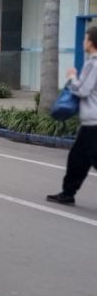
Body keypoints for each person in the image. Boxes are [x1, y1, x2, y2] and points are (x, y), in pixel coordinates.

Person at [48, 25, 97, 205]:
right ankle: (68, 193)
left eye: (85, 39)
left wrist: (71, 77)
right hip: (91, 123)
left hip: (93, 123)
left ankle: (68, 193)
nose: (83, 42)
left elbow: (82, 90)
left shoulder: (93, 63)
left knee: (81, 159)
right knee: (78, 160)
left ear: (91, 42)